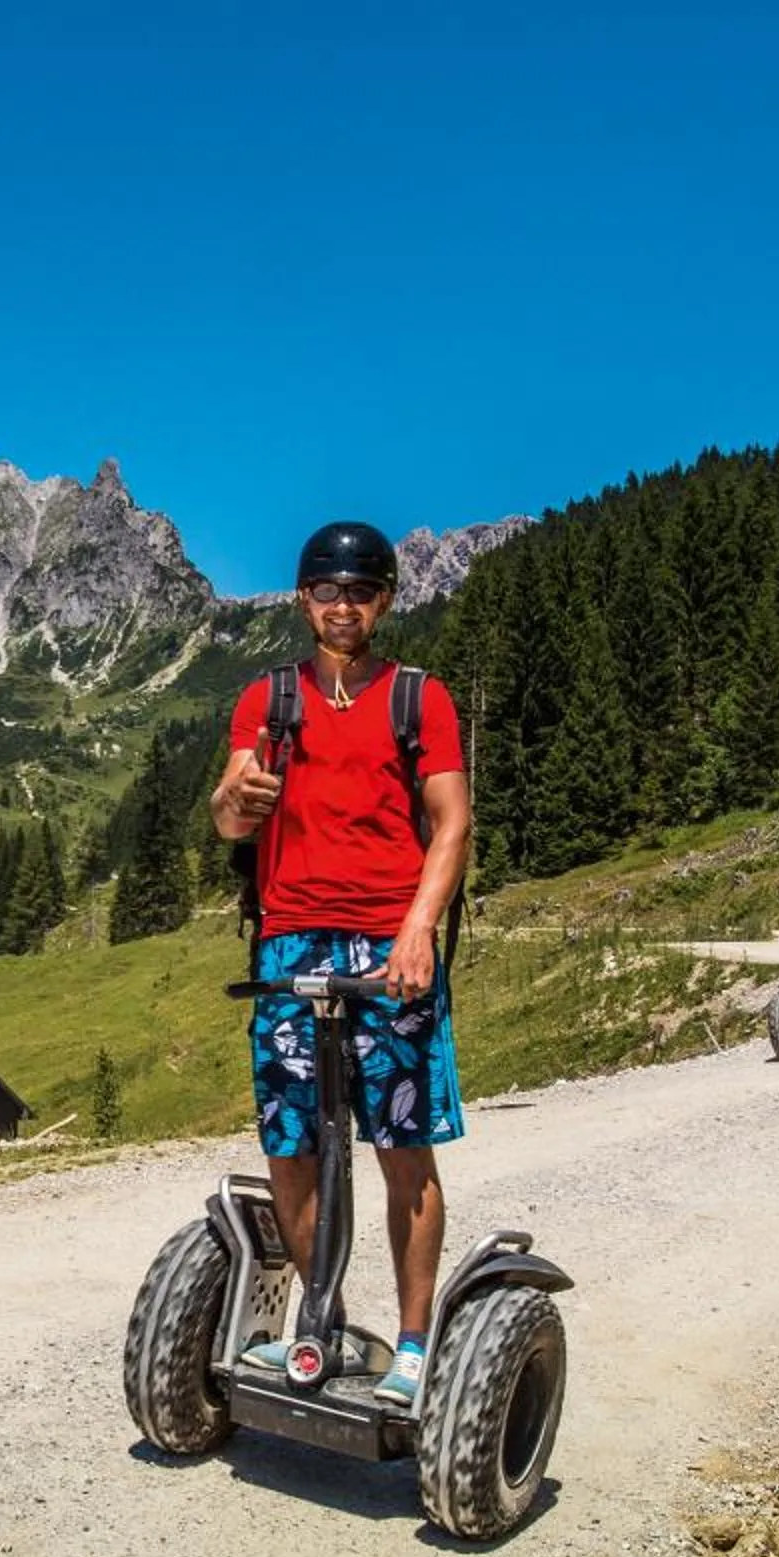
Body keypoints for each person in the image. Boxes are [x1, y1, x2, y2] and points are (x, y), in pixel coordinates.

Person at [210, 520, 471, 1408]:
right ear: (304, 599)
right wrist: (232, 799)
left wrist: (418, 929)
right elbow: (231, 816)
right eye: (328, 590)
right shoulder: (268, 698)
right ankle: (323, 1329)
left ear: (386, 600)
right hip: (290, 941)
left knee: (403, 1146)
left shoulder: (418, 699)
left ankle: (411, 1344)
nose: (343, 605)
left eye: (360, 591)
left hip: (388, 943)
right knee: (292, 1148)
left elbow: (452, 823)